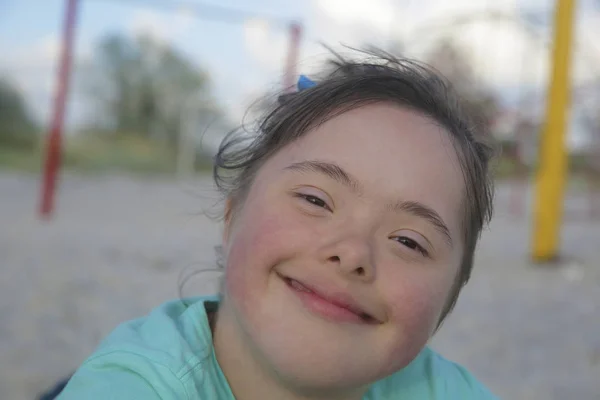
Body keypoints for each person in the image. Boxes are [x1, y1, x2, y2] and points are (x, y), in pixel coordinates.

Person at [57, 49, 497, 400]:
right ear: (232, 219)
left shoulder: (436, 388)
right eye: (314, 199)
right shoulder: (133, 386)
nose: (353, 253)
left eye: (408, 241)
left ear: (449, 300)